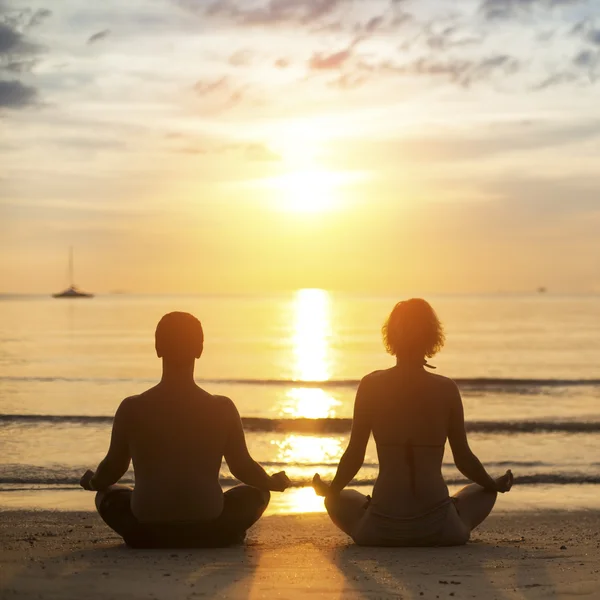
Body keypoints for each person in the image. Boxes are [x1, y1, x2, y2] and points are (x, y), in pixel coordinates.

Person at [80, 311, 291, 548]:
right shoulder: (221, 407)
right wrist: (270, 482)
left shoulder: (132, 407)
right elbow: (242, 466)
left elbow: (113, 468)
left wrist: (93, 483)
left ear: (158, 348)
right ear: (199, 350)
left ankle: (146, 536)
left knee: (106, 494)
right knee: (257, 492)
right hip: (207, 521)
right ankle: (221, 533)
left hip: (148, 524)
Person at [312, 298, 513, 546]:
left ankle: (368, 508)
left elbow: (355, 454)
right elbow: (463, 459)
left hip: (380, 529)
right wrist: (492, 483)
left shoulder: (371, 385)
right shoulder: (446, 388)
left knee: (339, 498)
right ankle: (453, 512)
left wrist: (330, 490)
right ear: (432, 337)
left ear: (391, 337)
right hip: (440, 529)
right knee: (485, 491)